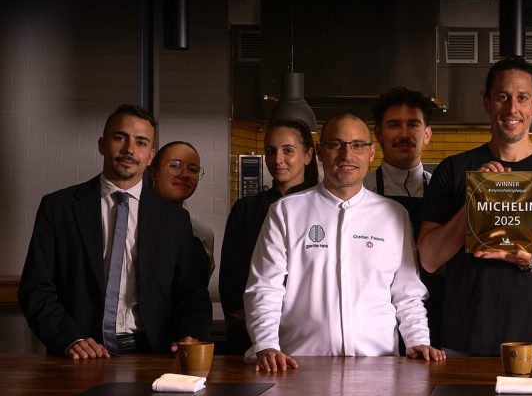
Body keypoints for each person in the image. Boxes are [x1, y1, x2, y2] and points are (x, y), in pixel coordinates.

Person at [418, 56, 532, 356]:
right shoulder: (452, 170)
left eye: (522, 98)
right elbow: (428, 259)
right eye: (502, 97)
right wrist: (475, 201)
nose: (512, 108)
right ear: (487, 103)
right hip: (463, 343)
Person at [244, 114, 443, 372]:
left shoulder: (394, 215)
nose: (347, 155)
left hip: (378, 366)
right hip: (299, 365)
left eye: (358, 145)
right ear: (319, 151)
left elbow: (407, 293)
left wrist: (418, 340)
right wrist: (266, 344)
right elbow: (265, 287)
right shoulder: (286, 211)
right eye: (335, 144)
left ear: (371, 152)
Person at [19, 104, 211, 357]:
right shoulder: (58, 208)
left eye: (141, 142)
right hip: (80, 353)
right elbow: (36, 288)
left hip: (153, 354)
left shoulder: (175, 219)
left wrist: (191, 334)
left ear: (150, 155)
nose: (129, 150)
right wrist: (69, 339)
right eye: (120, 138)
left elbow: (192, 292)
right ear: (102, 144)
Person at [219, 119, 317, 355]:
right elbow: (231, 276)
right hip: (254, 332)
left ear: (308, 155)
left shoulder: (322, 208)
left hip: (308, 332)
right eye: (271, 151)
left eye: (288, 150)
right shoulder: (246, 209)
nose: (277, 159)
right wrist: (250, 325)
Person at [363, 86, 443, 344]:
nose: (404, 134)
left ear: (427, 133)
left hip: (441, 310)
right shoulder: (362, 190)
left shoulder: (444, 192)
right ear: (378, 134)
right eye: (394, 125)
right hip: (376, 312)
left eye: (414, 125)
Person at [150, 140, 215, 277]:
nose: (185, 174)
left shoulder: (202, 235)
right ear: (154, 173)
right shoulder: (132, 224)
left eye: (193, 169)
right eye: (175, 165)